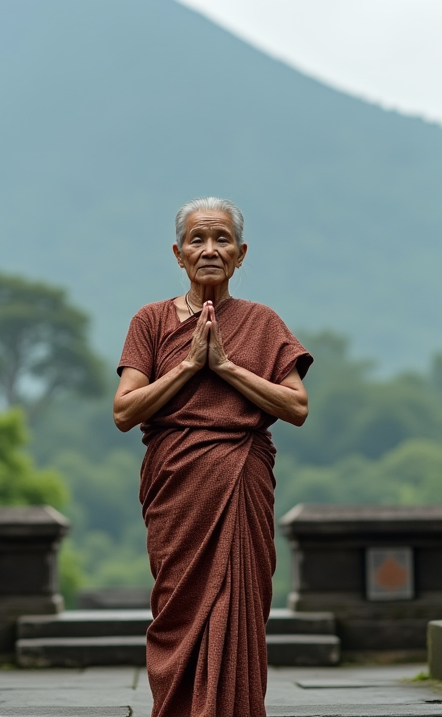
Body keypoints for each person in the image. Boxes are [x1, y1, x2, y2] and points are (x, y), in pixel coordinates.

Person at [113, 197, 313, 717]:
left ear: (241, 254)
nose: (209, 250)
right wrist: (185, 368)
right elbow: (124, 411)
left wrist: (224, 367)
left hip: (242, 477)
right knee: (178, 605)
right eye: (197, 240)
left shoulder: (263, 323)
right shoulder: (150, 321)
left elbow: (296, 406)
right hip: (176, 485)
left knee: (239, 609)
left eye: (221, 239)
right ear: (177, 253)